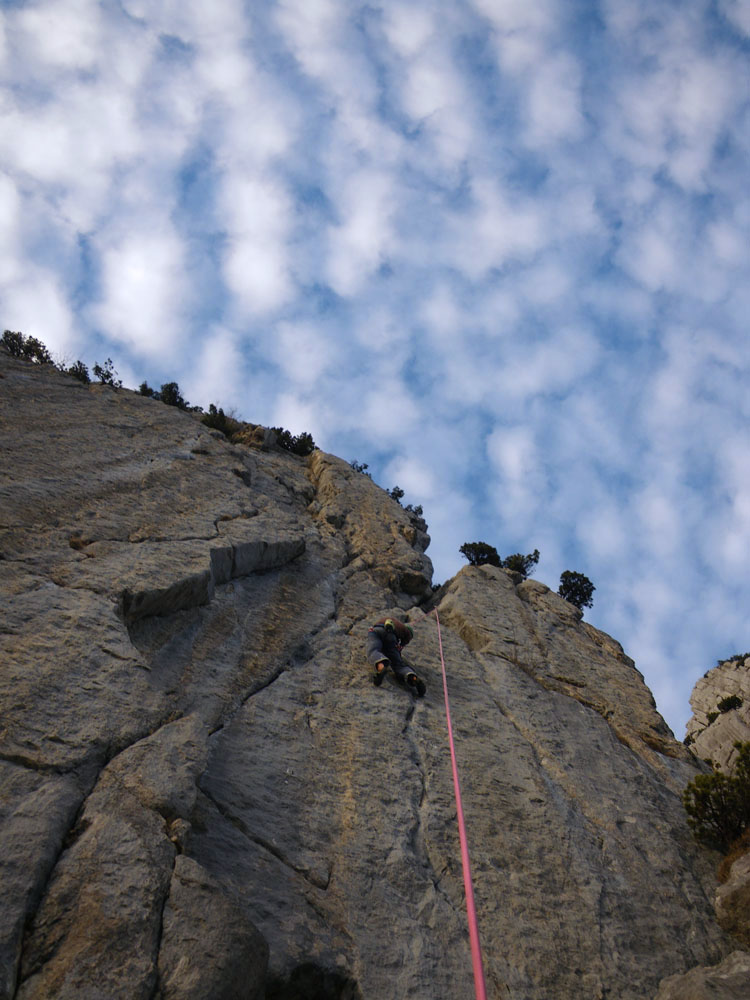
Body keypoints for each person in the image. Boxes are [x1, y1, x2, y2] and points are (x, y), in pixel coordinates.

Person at [366, 617, 426, 696]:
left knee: (373, 651)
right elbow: (402, 644)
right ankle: (412, 676)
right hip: (392, 637)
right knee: (398, 665)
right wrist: (398, 648)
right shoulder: (405, 631)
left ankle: (381, 666)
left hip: (377, 631)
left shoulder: (390, 620)